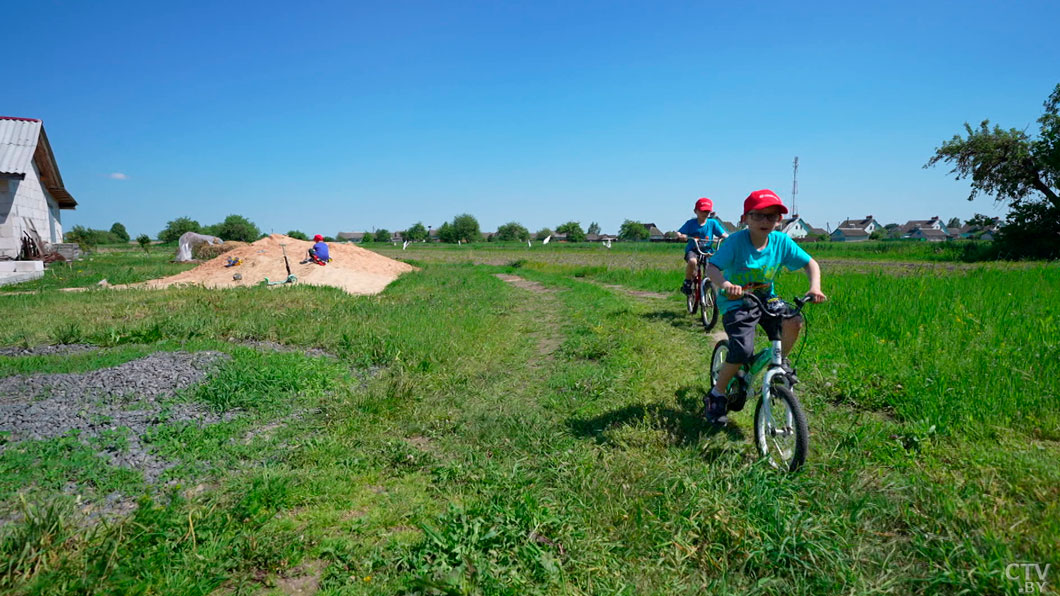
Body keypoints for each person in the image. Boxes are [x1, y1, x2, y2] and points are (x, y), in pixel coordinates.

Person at [703, 189, 827, 426]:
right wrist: (727, 284)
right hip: (736, 301)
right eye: (757, 216)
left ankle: (779, 363)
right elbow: (712, 268)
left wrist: (815, 287)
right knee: (742, 351)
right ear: (745, 218)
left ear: (779, 220)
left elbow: (810, 263)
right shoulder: (736, 242)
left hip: (766, 298)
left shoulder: (781, 242)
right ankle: (716, 394)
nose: (765, 221)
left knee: (794, 320)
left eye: (771, 217)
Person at [675, 197, 729, 295]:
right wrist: (680, 236)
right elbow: (680, 232)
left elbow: (722, 234)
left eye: (707, 211)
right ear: (696, 211)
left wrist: (729, 238)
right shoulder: (690, 223)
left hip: (708, 250)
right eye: (703, 211)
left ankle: (713, 289)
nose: (705, 213)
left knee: (714, 267)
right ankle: (687, 282)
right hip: (693, 250)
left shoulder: (712, 223)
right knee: (692, 262)